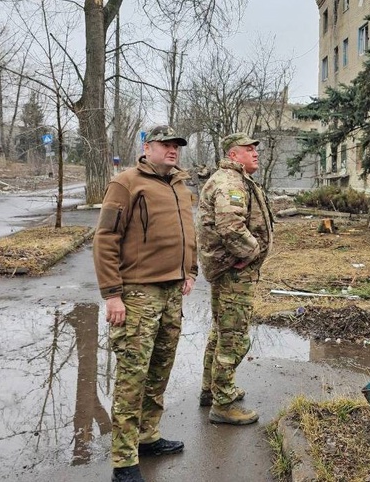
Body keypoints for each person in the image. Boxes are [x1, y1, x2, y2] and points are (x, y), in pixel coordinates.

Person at [93, 125, 198, 482]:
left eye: (176, 146)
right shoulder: (127, 183)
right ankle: (124, 461)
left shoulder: (180, 186)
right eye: (165, 145)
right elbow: (105, 238)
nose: (172, 150)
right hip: (137, 293)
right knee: (132, 378)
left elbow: (188, 232)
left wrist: (190, 270)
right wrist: (112, 294)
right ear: (147, 147)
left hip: (172, 292)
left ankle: (148, 436)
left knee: (159, 370)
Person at [196, 132, 273, 425]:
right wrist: (252, 253)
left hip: (228, 269)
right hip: (234, 271)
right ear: (232, 154)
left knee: (220, 331)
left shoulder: (233, 180)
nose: (255, 153)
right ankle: (223, 403)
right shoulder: (230, 184)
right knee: (233, 336)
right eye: (248, 149)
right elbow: (231, 228)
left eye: (256, 148)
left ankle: (211, 389)